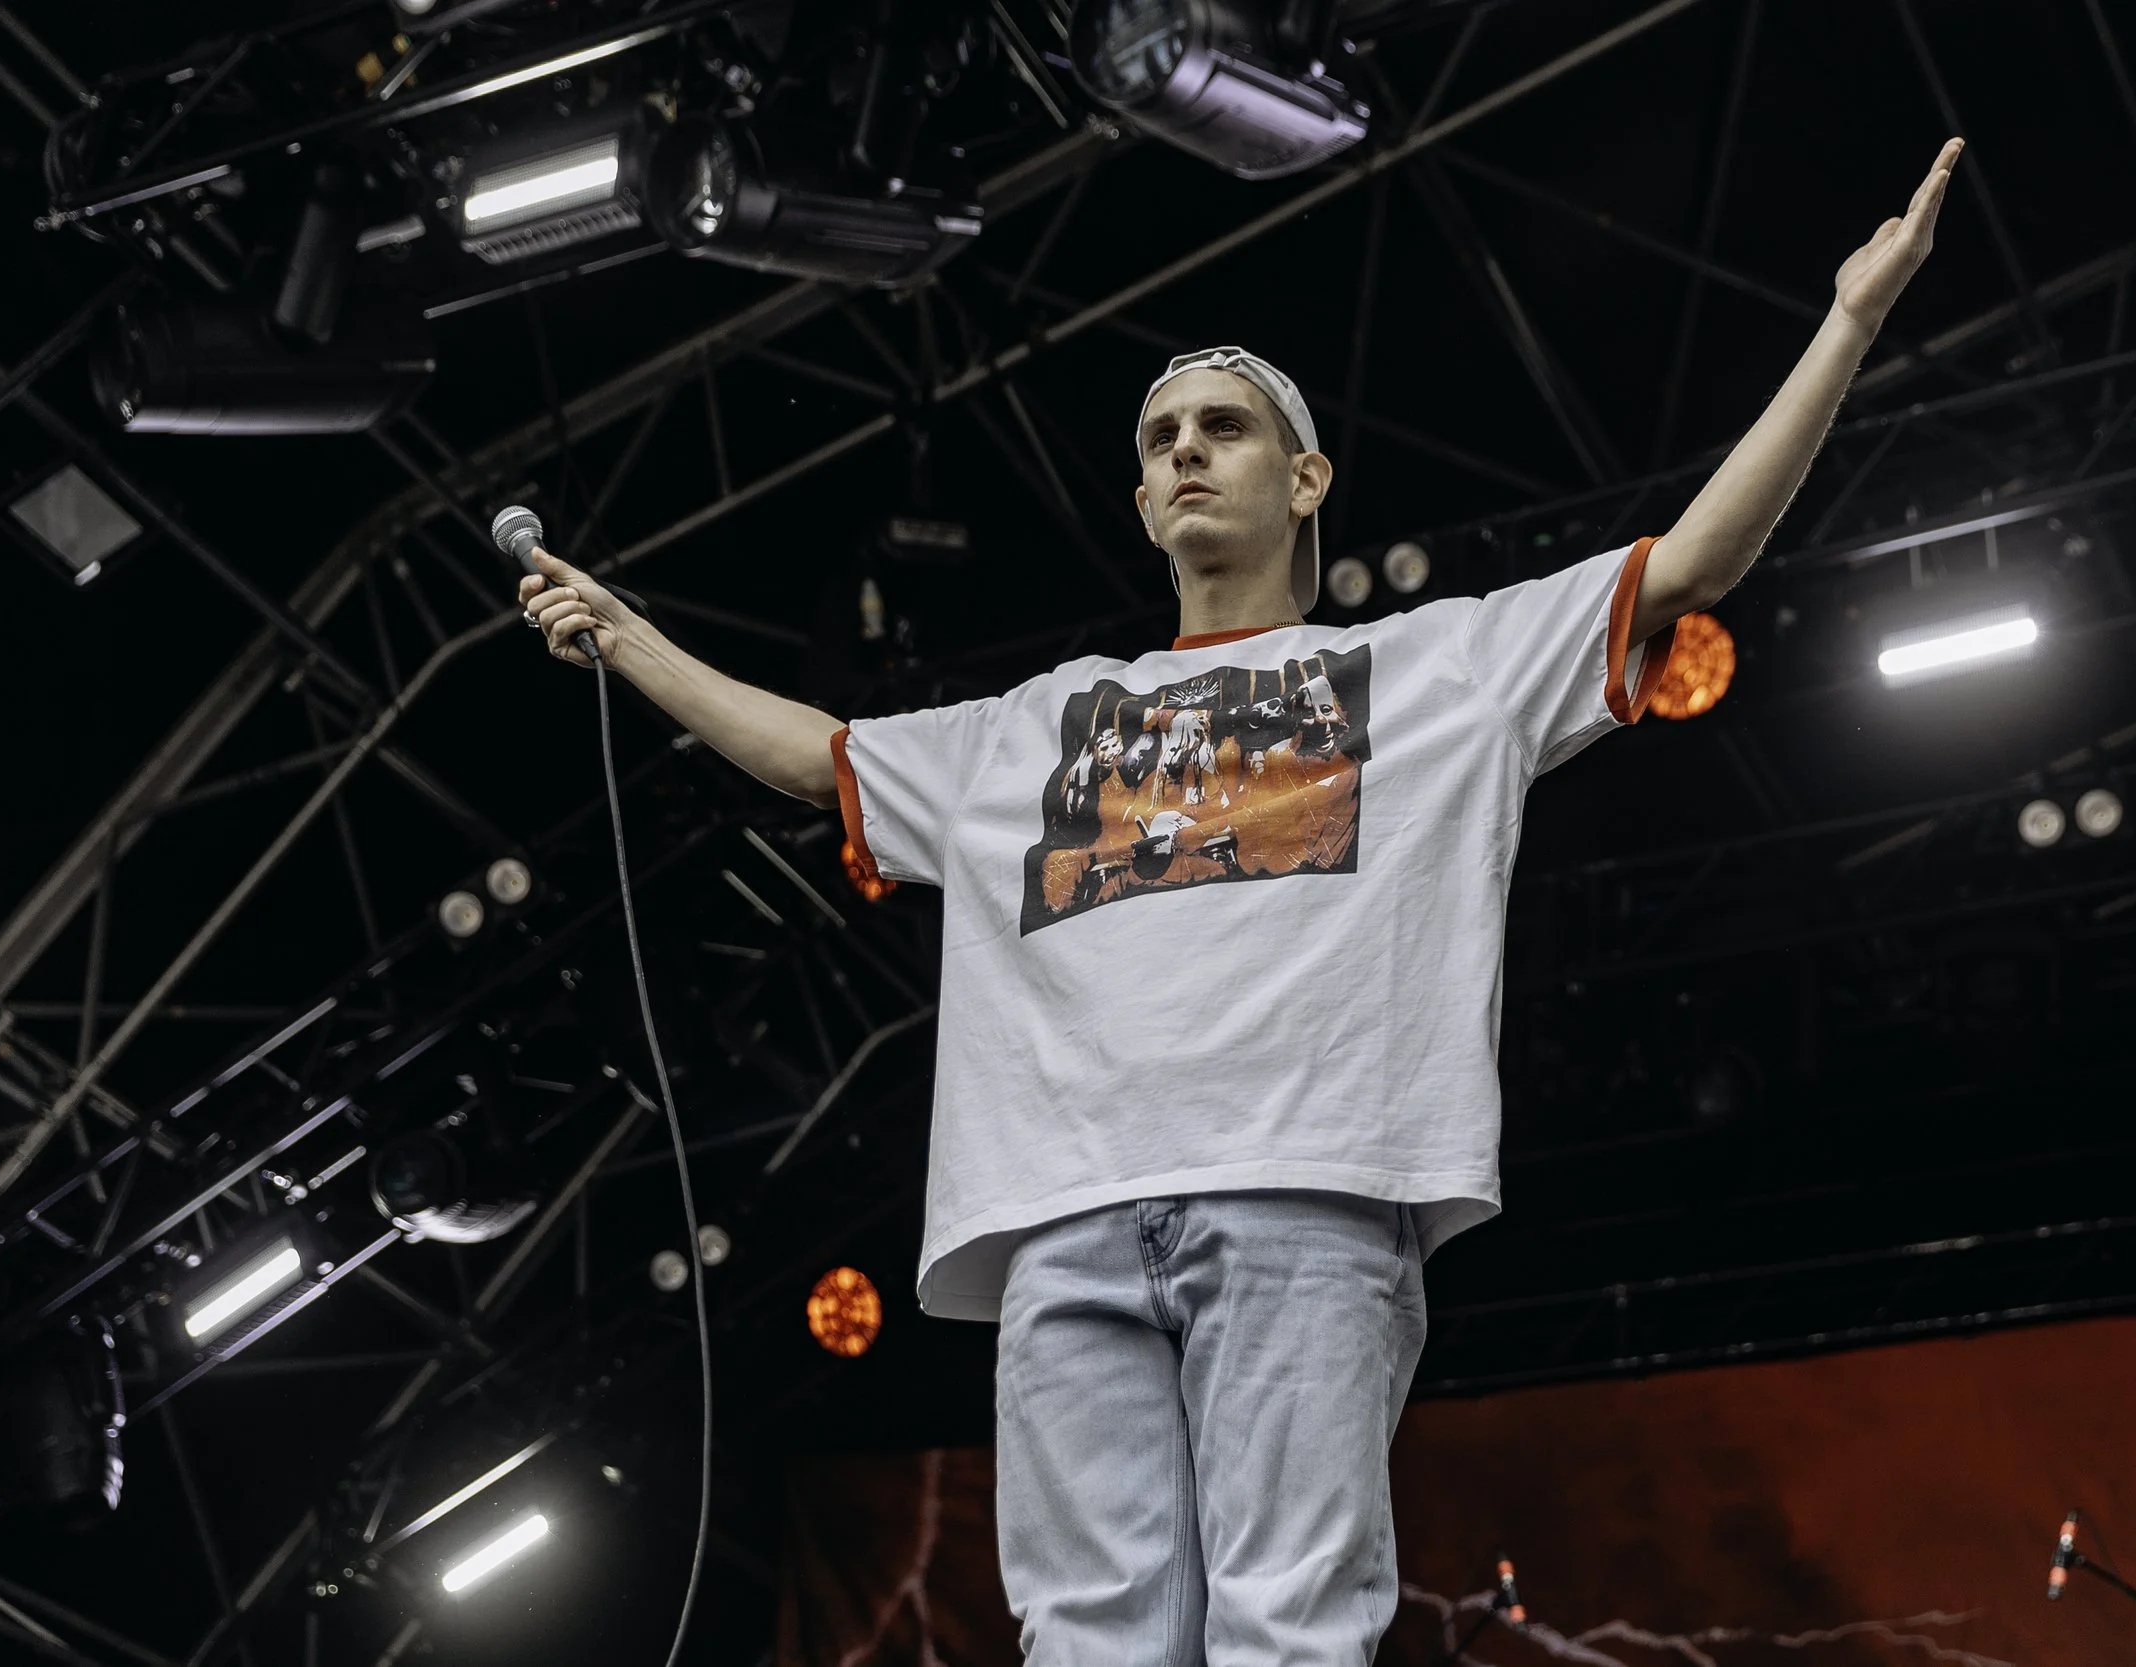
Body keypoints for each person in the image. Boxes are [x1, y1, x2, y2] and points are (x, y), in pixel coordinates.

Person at [523, 138, 1965, 1666]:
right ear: (1145, 499)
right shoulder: (1031, 726)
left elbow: (1693, 563)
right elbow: (815, 757)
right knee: (1086, 1639)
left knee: (1289, 1627)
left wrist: (1850, 321)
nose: (1187, 451)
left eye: (1224, 425)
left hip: (1307, 1188)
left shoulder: (1432, 668)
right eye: (1161, 439)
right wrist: (630, 638)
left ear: (1307, 478)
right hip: (1061, 1214)